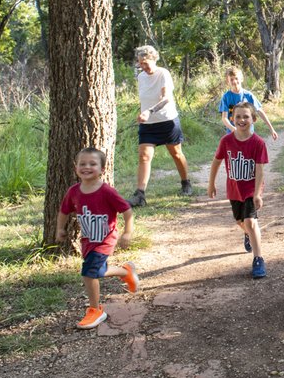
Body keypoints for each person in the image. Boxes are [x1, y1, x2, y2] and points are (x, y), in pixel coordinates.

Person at [55, 147, 140, 329]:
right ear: (76, 167)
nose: (87, 167)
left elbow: (127, 210)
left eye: (92, 164)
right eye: (82, 164)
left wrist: (127, 233)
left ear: (102, 168)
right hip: (87, 241)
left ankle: (95, 310)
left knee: (88, 272)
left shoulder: (107, 192)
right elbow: (64, 211)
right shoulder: (74, 191)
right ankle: (126, 272)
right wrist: (60, 229)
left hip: (105, 240)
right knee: (98, 272)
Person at [208, 101, 269, 279]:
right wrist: (211, 183)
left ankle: (258, 259)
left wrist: (257, 194)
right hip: (234, 190)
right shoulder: (226, 141)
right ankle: (248, 234)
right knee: (240, 222)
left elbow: (259, 170)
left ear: (254, 119)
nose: (242, 119)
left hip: (251, 189)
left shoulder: (258, 143)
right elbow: (216, 162)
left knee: (250, 222)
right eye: (238, 116)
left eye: (246, 116)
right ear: (232, 119)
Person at [129, 45, 192, 207]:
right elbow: (146, 98)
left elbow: (166, 98)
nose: (143, 66)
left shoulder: (163, 73)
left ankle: (186, 183)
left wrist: (150, 111)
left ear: (153, 58)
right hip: (148, 124)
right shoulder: (141, 77)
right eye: (140, 63)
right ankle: (140, 194)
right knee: (144, 156)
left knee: (176, 154)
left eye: (145, 62)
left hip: (167, 122)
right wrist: (143, 113)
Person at [218, 65, 278, 141]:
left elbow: (260, 111)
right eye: (231, 79)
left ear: (241, 79)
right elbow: (224, 118)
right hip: (232, 134)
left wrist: (271, 129)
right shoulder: (226, 97)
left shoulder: (248, 96)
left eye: (236, 78)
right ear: (228, 81)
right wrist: (233, 129)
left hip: (248, 134)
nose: (234, 81)